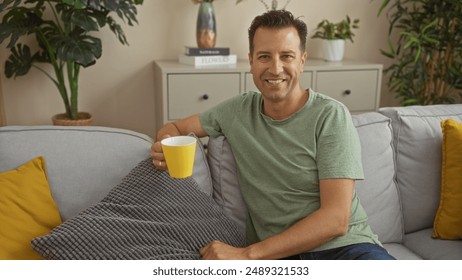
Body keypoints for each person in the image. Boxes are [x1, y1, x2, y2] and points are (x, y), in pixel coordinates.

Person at [151, 10, 395, 260]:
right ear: (251, 61)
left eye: (287, 56)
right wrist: (164, 144)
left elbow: (336, 219)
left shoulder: (331, 116)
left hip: (347, 249)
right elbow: (176, 127)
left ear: (302, 60)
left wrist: (246, 255)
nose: (275, 68)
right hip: (278, 258)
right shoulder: (236, 111)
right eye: (264, 56)